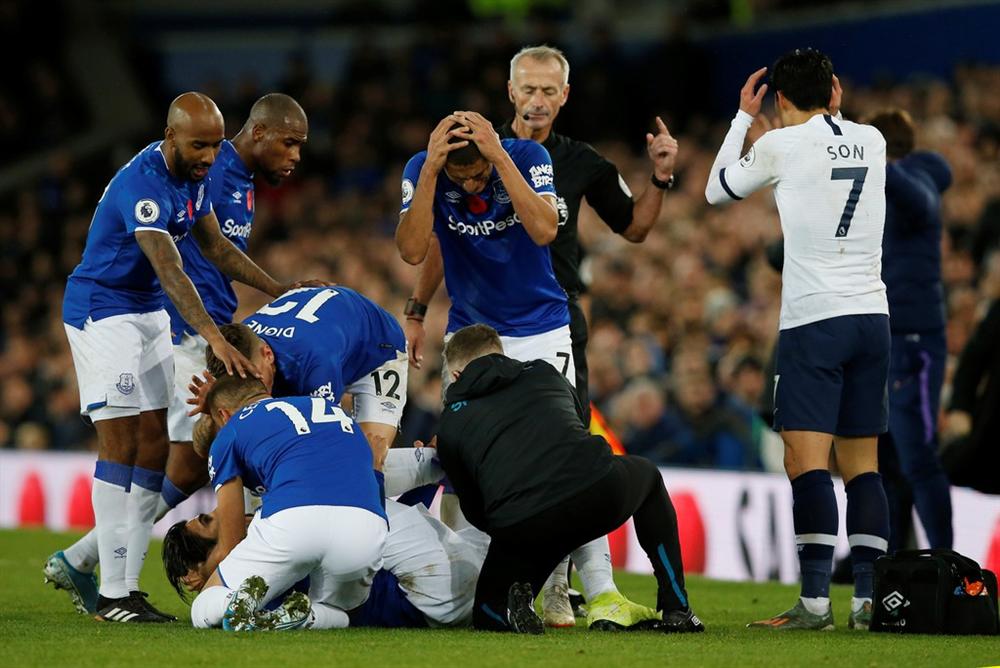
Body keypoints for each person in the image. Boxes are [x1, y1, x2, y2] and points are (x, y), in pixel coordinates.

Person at [49, 92, 319, 623]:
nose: (210, 157)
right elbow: (171, 268)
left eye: (217, 146)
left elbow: (215, 248)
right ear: (170, 136)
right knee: (123, 444)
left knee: (153, 448)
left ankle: (119, 586)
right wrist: (214, 338)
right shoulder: (143, 187)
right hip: (105, 311)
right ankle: (108, 592)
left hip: (148, 313)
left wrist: (278, 288)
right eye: (199, 145)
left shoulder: (198, 178)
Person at [395, 111, 655, 629]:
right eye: (459, 176)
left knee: (567, 454)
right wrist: (416, 308)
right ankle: (485, 581)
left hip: (541, 328)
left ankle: (588, 591)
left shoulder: (526, 157)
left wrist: (497, 157)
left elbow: (544, 229)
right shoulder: (424, 168)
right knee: (469, 456)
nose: (470, 185)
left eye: (477, 174)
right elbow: (414, 248)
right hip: (471, 337)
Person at [705, 49, 890, 631]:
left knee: (804, 460)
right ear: (835, 90)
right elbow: (838, 142)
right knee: (863, 466)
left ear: (780, 100)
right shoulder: (875, 140)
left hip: (815, 320)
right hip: (872, 316)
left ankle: (814, 603)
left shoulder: (780, 144)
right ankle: (867, 602)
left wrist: (742, 119)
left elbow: (715, 191)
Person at [435, 324, 704, 635]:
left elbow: (476, 511)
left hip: (523, 522)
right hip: (595, 491)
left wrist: (516, 544)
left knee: (485, 612)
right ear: (500, 354)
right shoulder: (545, 373)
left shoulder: (450, 425)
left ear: (455, 376)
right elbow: (572, 428)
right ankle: (677, 608)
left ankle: (510, 607)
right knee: (649, 477)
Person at [184, 375, 388, 631]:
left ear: (223, 415)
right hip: (364, 529)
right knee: (344, 613)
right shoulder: (334, 410)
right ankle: (304, 617)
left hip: (293, 521)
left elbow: (231, 541)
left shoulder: (231, 430)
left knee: (203, 606)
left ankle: (237, 601)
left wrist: (210, 574)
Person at [865, 108, 953, 550]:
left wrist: (873, 160)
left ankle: (945, 563)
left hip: (914, 342)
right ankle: (898, 568)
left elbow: (921, 200)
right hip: (877, 338)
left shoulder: (919, 179)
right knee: (886, 464)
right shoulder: (873, 190)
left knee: (918, 458)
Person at [199, 285, 409, 470]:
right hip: (327, 335)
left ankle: (428, 464)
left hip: (377, 350)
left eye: (256, 379)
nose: (251, 391)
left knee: (365, 462)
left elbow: (323, 442)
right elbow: (206, 450)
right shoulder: (233, 355)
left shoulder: (314, 363)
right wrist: (212, 414)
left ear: (268, 354)